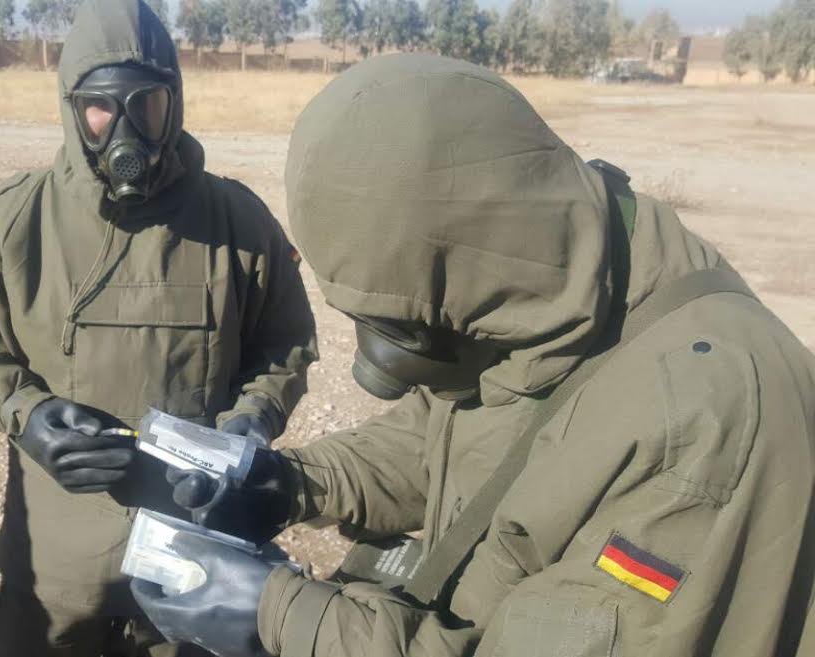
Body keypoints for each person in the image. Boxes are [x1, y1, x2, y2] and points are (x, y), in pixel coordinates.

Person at [132, 54, 815, 657]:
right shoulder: (546, 282)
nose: (382, 360)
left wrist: (279, 616)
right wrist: (286, 484)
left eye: (402, 327)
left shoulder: (700, 427)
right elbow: (449, 429)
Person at [0, 0, 318, 654]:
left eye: (147, 105)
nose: (124, 129)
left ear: (175, 103)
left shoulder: (238, 224)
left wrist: (254, 418)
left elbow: (286, 343)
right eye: (101, 108)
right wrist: (29, 412)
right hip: (56, 571)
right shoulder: (15, 221)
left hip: (192, 565)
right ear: (73, 108)